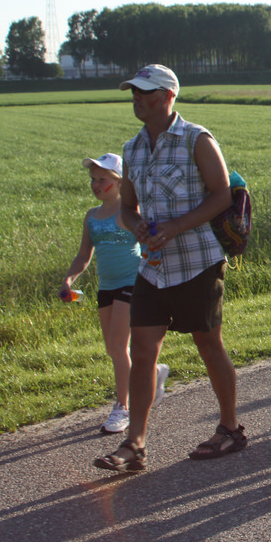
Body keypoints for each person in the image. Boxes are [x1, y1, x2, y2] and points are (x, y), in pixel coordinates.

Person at [94, 65, 242, 473]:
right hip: (153, 268)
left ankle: (231, 429)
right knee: (142, 351)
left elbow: (222, 196)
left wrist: (176, 226)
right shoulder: (132, 149)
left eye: (145, 92)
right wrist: (136, 225)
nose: (137, 98)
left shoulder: (197, 139)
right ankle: (135, 444)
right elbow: (127, 207)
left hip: (197, 263)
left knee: (208, 346)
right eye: (134, 92)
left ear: (168, 96)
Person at [62, 153, 169, 435]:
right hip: (106, 286)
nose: (96, 185)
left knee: (119, 347)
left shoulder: (129, 213)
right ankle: (153, 373)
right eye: (93, 179)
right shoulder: (92, 217)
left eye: (103, 179)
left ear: (120, 182)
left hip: (131, 283)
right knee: (113, 348)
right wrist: (69, 279)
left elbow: (149, 244)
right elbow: (84, 255)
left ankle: (123, 408)